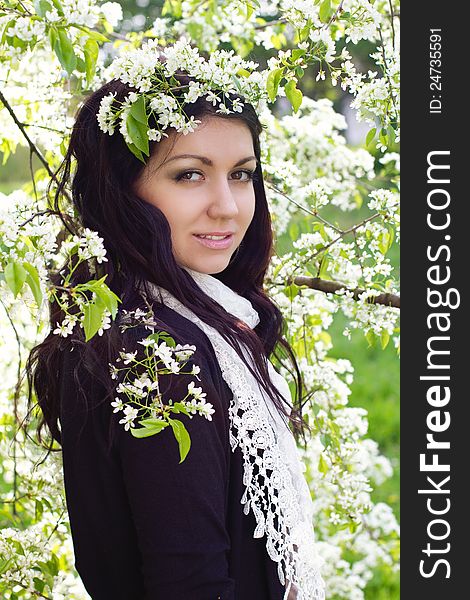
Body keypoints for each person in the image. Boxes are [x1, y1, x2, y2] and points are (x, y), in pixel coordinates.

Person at [26, 41, 326, 600]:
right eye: (189, 175)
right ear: (123, 189)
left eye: (241, 175)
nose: (228, 206)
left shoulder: (178, 319)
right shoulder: (156, 355)